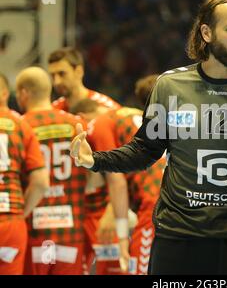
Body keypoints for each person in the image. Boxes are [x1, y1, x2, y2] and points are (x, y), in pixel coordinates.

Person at [70, 0, 227, 274]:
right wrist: (95, 160)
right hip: (178, 234)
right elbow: (144, 150)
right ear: (206, 33)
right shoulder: (170, 86)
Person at [72, 74, 164, 275]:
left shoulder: (99, 123)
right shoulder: (133, 113)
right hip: (172, 199)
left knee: (142, 271)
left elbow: (117, 181)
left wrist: (122, 238)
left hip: (152, 204)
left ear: (83, 117)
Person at [48, 47, 121, 274]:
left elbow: (127, 158)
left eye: (62, 73)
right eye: (52, 75)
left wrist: (114, 210)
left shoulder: (107, 109)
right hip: (67, 212)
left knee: (111, 270)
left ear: (78, 70)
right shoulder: (52, 111)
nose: (56, 81)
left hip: (102, 209)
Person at [15, 67, 87, 275]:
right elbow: (94, 179)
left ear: (23, 93)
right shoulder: (77, 124)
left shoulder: (21, 126)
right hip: (70, 232)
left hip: (35, 232)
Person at [0, 73, 48, 274]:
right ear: (5, 93)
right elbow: (40, 183)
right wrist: (22, 213)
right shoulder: (20, 125)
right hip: (10, 220)